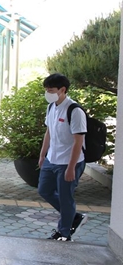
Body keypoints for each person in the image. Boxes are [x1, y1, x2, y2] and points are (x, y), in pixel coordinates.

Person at [38, 73, 89, 241]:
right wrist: (43, 154)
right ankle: (73, 216)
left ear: (62, 90)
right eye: (46, 89)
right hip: (52, 158)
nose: (48, 93)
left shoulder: (74, 111)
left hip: (68, 161)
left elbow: (78, 141)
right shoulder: (51, 106)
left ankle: (64, 233)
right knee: (44, 190)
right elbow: (49, 131)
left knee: (66, 198)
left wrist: (71, 167)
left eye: (51, 90)